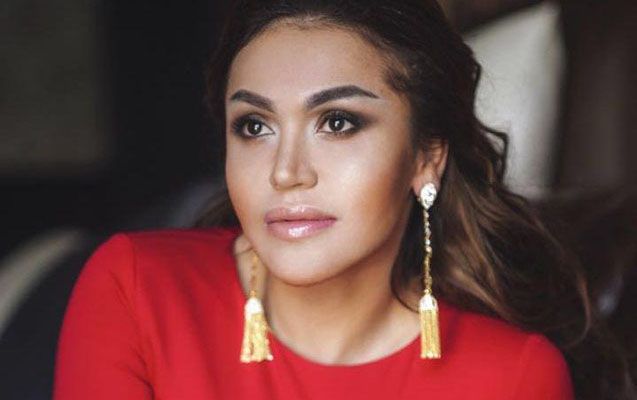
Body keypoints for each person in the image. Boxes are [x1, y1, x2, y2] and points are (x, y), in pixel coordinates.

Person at [53, 0, 588, 398]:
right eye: (254, 126)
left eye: (337, 122)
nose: (286, 172)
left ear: (426, 157)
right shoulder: (135, 289)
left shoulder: (514, 377)